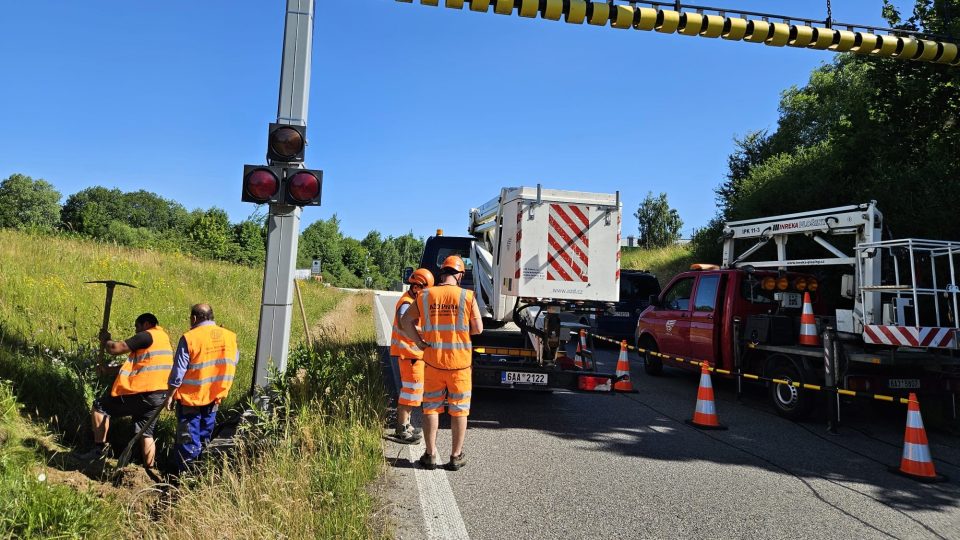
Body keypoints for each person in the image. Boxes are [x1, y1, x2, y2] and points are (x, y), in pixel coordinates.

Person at [400, 255, 482, 471]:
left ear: (442, 273)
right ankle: (455, 456)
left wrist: (419, 342)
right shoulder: (467, 296)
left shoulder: (426, 295)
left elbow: (405, 321)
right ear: (460, 275)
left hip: (433, 362)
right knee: (459, 411)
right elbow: (478, 329)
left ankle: (430, 455)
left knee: (432, 409)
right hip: (460, 366)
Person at [78, 313, 173, 468]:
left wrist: (106, 340)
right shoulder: (163, 339)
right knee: (146, 432)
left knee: (100, 407)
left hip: (142, 392)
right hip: (159, 395)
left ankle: (98, 451)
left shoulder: (147, 336)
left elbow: (115, 349)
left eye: (137, 327)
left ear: (147, 324)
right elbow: (141, 366)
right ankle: (148, 470)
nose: (136, 331)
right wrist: (108, 370)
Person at [164, 304, 238, 474]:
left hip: (191, 399)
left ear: (195, 318)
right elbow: (234, 360)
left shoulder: (190, 338)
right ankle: (201, 473)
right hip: (214, 396)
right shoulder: (229, 336)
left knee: (187, 438)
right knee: (205, 436)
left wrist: (170, 395)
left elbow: (178, 371)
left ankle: (186, 476)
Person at [389, 268, 435, 443]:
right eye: (424, 289)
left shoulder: (413, 301)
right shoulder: (407, 302)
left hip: (413, 355)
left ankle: (406, 425)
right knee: (410, 392)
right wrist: (426, 334)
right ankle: (401, 429)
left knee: (413, 391)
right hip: (408, 355)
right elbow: (403, 324)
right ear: (417, 287)